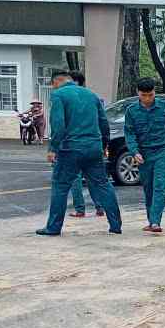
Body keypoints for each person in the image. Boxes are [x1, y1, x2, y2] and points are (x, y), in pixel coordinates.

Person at [36, 70, 123, 236]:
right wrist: (103, 145)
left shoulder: (58, 95)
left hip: (71, 148)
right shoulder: (91, 95)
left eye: (53, 85)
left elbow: (58, 125)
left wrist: (53, 148)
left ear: (56, 82)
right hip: (93, 147)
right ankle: (115, 225)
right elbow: (103, 123)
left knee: (60, 185)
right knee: (103, 184)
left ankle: (53, 227)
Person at [124, 77, 165, 234]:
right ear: (138, 93)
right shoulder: (131, 111)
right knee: (148, 188)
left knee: (159, 186)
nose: (148, 98)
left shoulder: (163, 107)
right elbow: (129, 134)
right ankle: (151, 220)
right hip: (144, 154)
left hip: (163, 150)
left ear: (155, 92)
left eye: (151, 95)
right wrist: (135, 152)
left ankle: (155, 222)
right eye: (144, 95)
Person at [65, 72, 109, 219]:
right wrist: (104, 143)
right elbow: (103, 122)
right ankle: (100, 207)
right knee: (94, 178)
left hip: (74, 145)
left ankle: (80, 209)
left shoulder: (67, 100)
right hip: (93, 144)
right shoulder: (93, 98)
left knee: (75, 178)